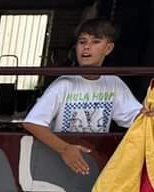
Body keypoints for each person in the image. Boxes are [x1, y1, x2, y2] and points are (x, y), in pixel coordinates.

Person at [23, 18, 142, 175]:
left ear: (108, 48)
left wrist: (147, 113)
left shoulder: (113, 83)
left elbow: (136, 117)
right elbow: (32, 123)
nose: (86, 47)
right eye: (82, 41)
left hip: (93, 161)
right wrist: (65, 149)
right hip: (57, 159)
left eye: (95, 42)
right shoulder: (64, 84)